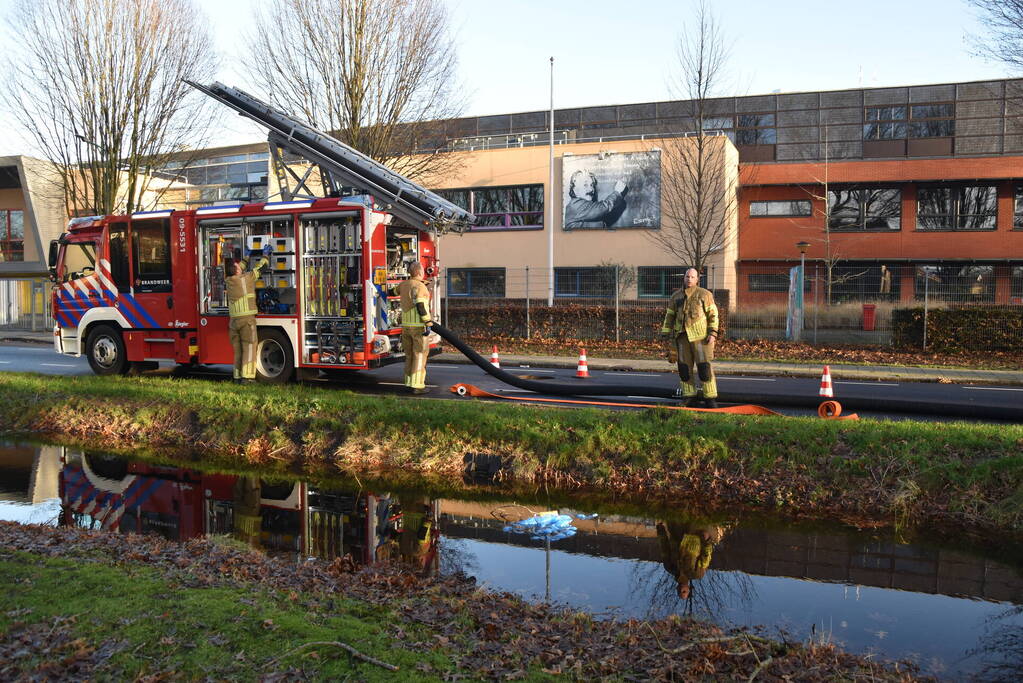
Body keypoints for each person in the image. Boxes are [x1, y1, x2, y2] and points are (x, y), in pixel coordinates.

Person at [660, 268, 720, 408]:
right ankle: (689, 396)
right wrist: (666, 334)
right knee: (684, 369)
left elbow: (713, 315)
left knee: (704, 369)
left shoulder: (705, 295)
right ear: (684, 277)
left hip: (701, 338)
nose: (689, 279)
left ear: (697, 279)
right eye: (687, 276)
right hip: (681, 338)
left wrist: (713, 333)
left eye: (693, 277)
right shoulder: (676, 296)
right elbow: (669, 316)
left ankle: (710, 398)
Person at [225, 245, 271, 384]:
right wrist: (265, 255)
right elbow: (262, 268)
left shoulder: (229, 280)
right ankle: (248, 378)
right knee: (249, 347)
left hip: (234, 322)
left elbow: (238, 267)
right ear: (238, 271)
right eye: (238, 267)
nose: (240, 267)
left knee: (238, 350)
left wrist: (246, 257)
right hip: (247, 321)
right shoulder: (247, 278)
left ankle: (237, 377)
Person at [656, 521, 725, 601]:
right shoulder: (697, 574)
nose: (681, 590)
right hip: (695, 533)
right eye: (684, 592)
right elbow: (706, 557)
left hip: (676, 529)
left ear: (676, 589)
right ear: (689, 589)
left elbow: (664, 547)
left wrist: (660, 529)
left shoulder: (670, 567)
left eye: (679, 592)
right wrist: (707, 541)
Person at [398, 261, 433, 394]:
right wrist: (428, 322)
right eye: (423, 270)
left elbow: (392, 290)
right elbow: (421, 307)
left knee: (409, 355)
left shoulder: (403, 285)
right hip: (418, 327)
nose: (424, 272)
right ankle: (418, 386)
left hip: (405, 327)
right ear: (419, 272)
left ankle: (408, 382)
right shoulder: (421, 287)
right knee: (420, 355)